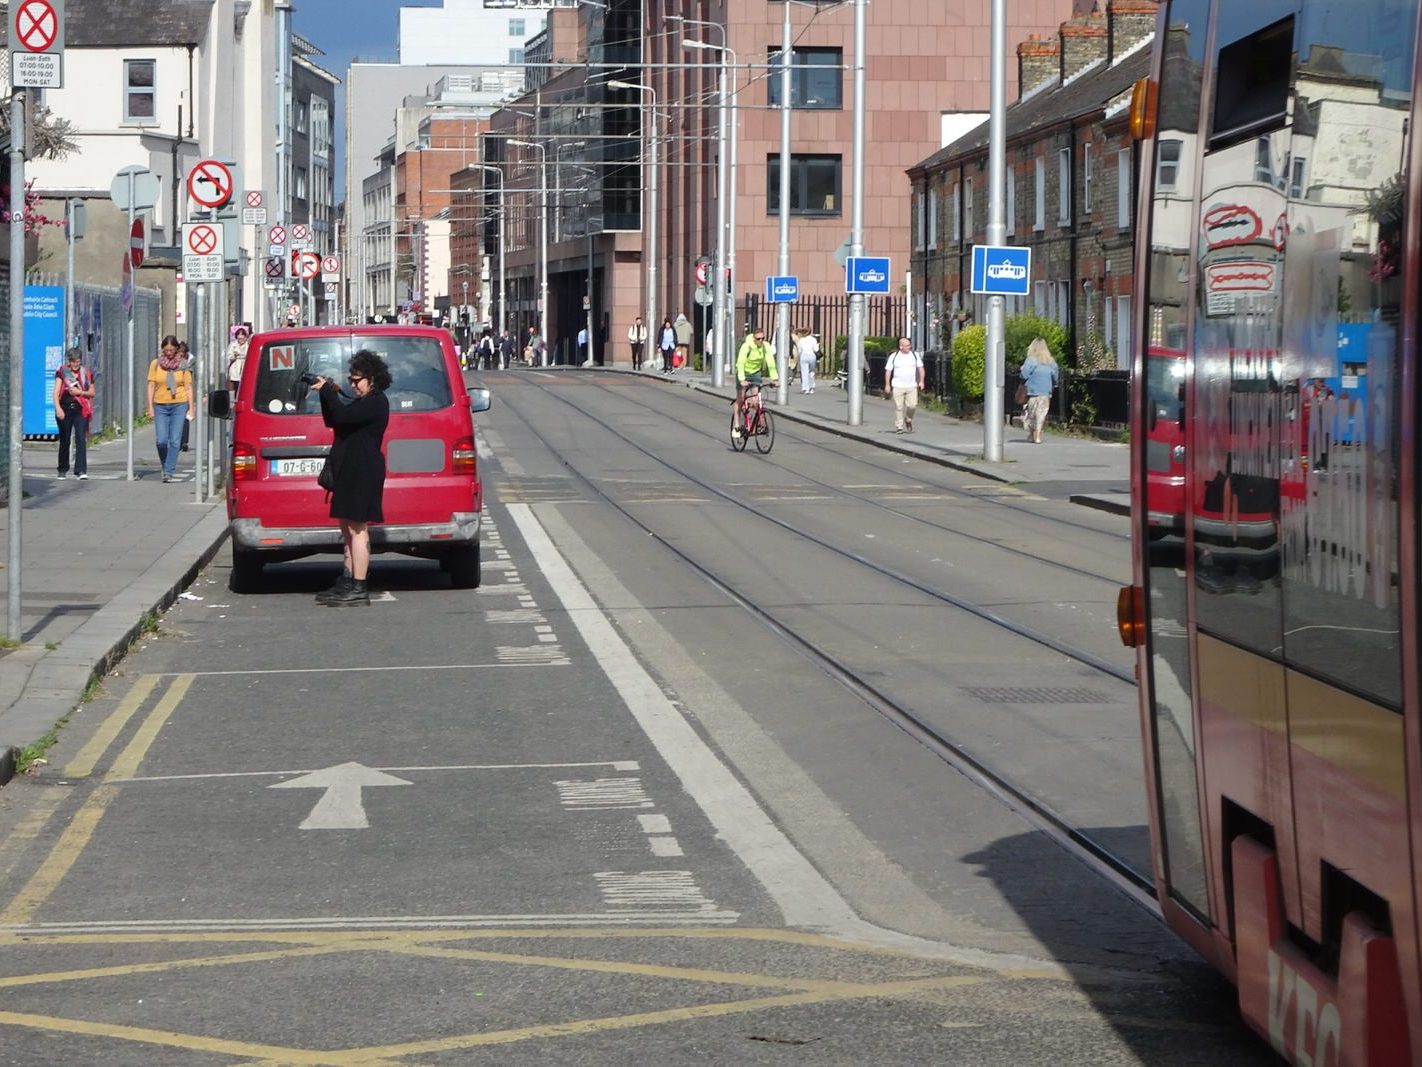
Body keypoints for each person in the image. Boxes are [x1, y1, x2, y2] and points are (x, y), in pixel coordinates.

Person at [310, 349, 392, 607]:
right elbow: (334, 420)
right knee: (346, 526)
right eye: (351, 381)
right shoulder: (362, 401)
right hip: (350, 468)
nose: (353, 385)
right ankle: (349, 579)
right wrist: (325, 394)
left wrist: (328, 392)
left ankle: (359, 586)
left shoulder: (377, 401)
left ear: (372, 379)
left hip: (363, 470)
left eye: (357, 381)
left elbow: (344, 417)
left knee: (358, 528)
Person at [146, 334, 192, 482]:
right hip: (160, 405)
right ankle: (165, 463)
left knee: (175, 440)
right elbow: (151, 385)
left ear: (177, 349)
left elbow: (188, 387)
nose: (169, 353)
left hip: (179, 403)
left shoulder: (183, 364)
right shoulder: (155, 364)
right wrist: (150, 406)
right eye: (166, 350)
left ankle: (169, 471)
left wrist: (191, 408)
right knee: (161, 440)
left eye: (172, 350)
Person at [54, 347, 94, 480]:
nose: (76, 364)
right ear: (69, 361)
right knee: (65, 439)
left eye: (78, 361)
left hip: (80, 410)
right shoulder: (62, 373)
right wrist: (58, 408)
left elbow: (92, 393)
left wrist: (80, 393)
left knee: (81, 439)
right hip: (65, 409)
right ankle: (62, 469)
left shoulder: (86, 373)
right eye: (73, 361)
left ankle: (81, 470)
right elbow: (55, 392)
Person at [733, 327, 778, 439]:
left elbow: (770, 362)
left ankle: (759, 424)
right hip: (743, 372)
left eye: (763, 338)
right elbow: (741, 363)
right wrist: (742, 379)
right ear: (753, 338)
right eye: (758, 339)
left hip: (756, 373)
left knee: (756, 401)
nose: (761, 341)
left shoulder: (765, 347)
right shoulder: (746, 346)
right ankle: (737, 425)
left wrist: (775, 378)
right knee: (740, 399)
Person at [1018, 336, 1060, 444]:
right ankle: (1037, 435)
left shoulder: (1031, 360)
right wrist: (1053, 385)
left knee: (1031, 413)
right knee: (1042, 413)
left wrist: (1022, 374)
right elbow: (1055, 376)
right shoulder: (1051, 362)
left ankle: (1033, 434)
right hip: (1045, 392)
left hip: (1032, 391)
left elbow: (1024, 375)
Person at [883, 336, 925, 434]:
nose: (909, 347)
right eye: (907, 346)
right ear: (901, 346)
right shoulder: (894, 356)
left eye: (909, 345)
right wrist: (887, 384)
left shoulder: (915, 355)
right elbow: (888, 371)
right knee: (899, 407)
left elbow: (921, 369)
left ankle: (908, 419)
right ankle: (899, 427)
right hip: (897, 385)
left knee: (913, 406)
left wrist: (922, 381)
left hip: (911, 385)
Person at [178, 341, 195, 452]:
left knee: (185, 418)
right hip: (177, 394)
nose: (180, 355)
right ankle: (178, 440)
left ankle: (184, 441)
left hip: (187, 392)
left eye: (182, 353)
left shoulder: (191, 362)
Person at [226, 325, 251, 392]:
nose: (241, 340)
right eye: (239, 339)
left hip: (245, 368)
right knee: (237, 387)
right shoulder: (233, 345)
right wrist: (235, 356)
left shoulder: (248, 345)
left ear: (245, 338)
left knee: (245, 387)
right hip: (235, 369)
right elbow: (229, 356)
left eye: (242, 338)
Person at [795, 328, 820, 394]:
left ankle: (805, 389)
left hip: (803, 355)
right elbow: (816, 349)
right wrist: (817, 346)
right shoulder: (813, 339)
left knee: (804, 372)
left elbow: (799, 350)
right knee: (811, 371)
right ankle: (812, 387)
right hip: (811, 355)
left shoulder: (801, 340)